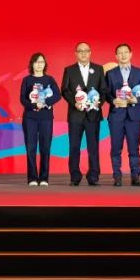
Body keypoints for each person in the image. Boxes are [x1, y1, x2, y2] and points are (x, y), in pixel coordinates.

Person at [60, 42, 107, 186]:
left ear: (90, 52)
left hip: (93, 114)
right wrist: (74, 103)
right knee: (74, 147)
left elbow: (104, 90)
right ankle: (75, 176)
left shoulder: (98, 69)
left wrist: (98, 103)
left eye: (86, 50)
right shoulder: (69, 70)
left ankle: (93, 176)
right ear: (76, 53)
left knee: (93, 147)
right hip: (76, 114)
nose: (83, 53)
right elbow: (65, 90)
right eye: (80, 51)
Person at [105, 43, 140, 187]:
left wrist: (137, 100)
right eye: (120, 53)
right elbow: (106, 93)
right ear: (116, 56)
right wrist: (113, 100)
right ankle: (117, 177)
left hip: (133, 115)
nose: (123, 55)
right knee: (116, 148)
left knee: (134, 147)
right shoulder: (110, 73)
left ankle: (135, 176)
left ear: (131, 54)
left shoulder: (139, 72)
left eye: (126, 52)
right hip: (116, 115)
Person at [19, 52, 58, 186]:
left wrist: (45, 102)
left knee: (45, 148)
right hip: (30, 118)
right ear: (32, 64)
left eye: (41, 62)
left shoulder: (50, 80)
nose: (39, 64)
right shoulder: (27, 80)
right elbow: (22, 99)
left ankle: (44, 178)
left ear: (45, 64)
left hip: (46, 117)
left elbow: (57, 95)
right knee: (31, 148)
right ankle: (32, 178)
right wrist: (35, 105)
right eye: (36, 62)